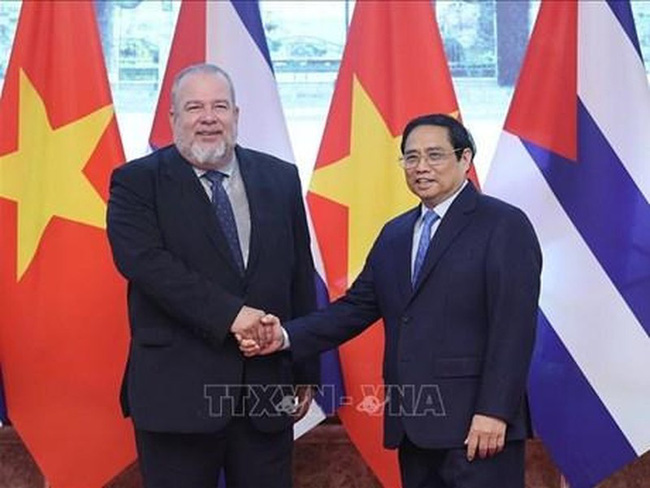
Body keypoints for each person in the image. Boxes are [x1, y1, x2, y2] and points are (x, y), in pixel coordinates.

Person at [242, 114, 542, 488]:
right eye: (411, 157)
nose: (421, 167)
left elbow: (513, 328)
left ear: (465, 159)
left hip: (476, 427)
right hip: (413, 425)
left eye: (435, 155)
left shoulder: (503, 225)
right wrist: (283, 336)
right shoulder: (396, 233)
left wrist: (494, 411)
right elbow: (354, 309)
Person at [106, 63, 318, 488]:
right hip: (176, 394)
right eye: (194, 107)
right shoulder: (136, 182)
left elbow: (298, 276)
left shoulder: (280, 177)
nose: (208, 117)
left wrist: (304, 368)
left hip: (265, 393)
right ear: (173, 118)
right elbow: (145, 264)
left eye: (219, 106)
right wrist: (233, 316)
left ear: (236, 115)